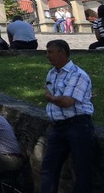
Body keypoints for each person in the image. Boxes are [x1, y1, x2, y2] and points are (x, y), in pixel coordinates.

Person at [41, 39, 95, 193]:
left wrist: (51, 98)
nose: (47, 55)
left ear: (62, 52)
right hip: (58, 127)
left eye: (50, 52)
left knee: (82, 170)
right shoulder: (52, 73)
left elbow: (67, 101)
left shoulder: (78, 75)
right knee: (49, 168)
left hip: (77, 125)